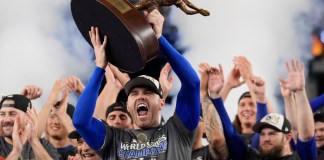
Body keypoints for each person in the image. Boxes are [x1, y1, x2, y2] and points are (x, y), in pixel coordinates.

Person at [72, 9, 200, 159]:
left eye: (148, 92)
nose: (140, 96)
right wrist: (100, 67)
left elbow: (192, 84)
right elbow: (80, 121)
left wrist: (159, 39)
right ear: (128, 105)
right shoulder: (113, 140)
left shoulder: (177, 131)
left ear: (161, 103)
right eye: (134, 93)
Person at [209, 59, 316, 160]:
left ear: (287, 138)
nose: (266, 138)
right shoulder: (251, 157)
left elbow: (306, 135)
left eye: (272, 133)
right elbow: (230, 133)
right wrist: (215, 96)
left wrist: (300, 92)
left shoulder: (299, 158)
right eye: (263, 134)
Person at [0, 94, 60, 159]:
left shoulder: (44, 145)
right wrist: (16, 151)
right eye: (2, 114)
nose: (6, 119)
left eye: (13, 114)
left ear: (28, 117)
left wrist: (33, 140)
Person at [191, 63, 229, 160]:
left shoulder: (210, 154)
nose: (192, 123)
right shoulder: (172, 152)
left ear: (205, 129)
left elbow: (217, 140)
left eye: (198, 119)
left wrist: (204, 92)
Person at [37, 79, 80, 160]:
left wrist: (62, 114)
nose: (55, 122)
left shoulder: (79, 153)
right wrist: (49, 103)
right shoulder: (38, 147)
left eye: (60, 118)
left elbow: (90, 147)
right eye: (52, 117)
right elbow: (31, 138)